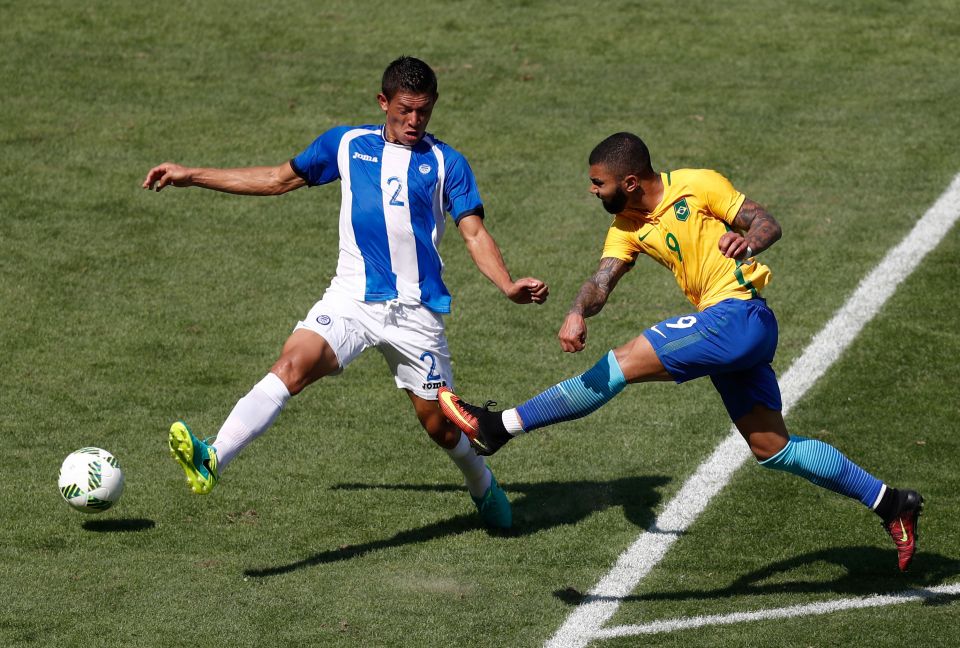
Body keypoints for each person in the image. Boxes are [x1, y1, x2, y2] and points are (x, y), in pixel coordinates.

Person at [439, 132, 923, 568]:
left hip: (737, 316)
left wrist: (748, 241)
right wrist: (577, 310)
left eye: (598, 183)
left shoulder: (698, 184)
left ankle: (499, 427)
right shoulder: (628, 225)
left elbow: (767, 222)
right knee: (772, 448)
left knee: (622, 364)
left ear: (629, 181)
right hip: (735, 333)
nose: (592, 191)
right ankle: (890, 503)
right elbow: (602, 281)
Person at [142, 56, 548, 530]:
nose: (415, 121)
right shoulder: (347, 145)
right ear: (383, 103)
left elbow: (473, 233)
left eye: (424, 111)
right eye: (405, 110)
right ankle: (214, 457)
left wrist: (507, 285)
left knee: (440, 425)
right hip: (351, 299)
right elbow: (277, 180)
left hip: (416, 314)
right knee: (290, 365)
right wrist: (192, 175)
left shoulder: (446, 163)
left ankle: (482, 484)